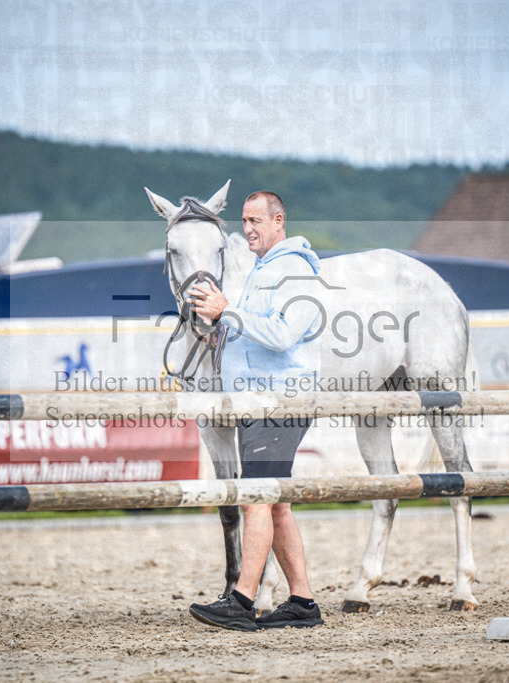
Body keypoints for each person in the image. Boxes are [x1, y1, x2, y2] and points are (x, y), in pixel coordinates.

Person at [185, 190, 325, 631]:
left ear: (278, 220)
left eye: (255, 220)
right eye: (244, 221)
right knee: (276, 504)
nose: (247, 229)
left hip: (279, 402)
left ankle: (241, 599)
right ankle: (302, 601)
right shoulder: (266, 269)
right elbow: (258, 333)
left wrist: (229, 312)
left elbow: (284, 336)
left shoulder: (296, 270)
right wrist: (221, 330)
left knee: (256, 500)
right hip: (260, 401)